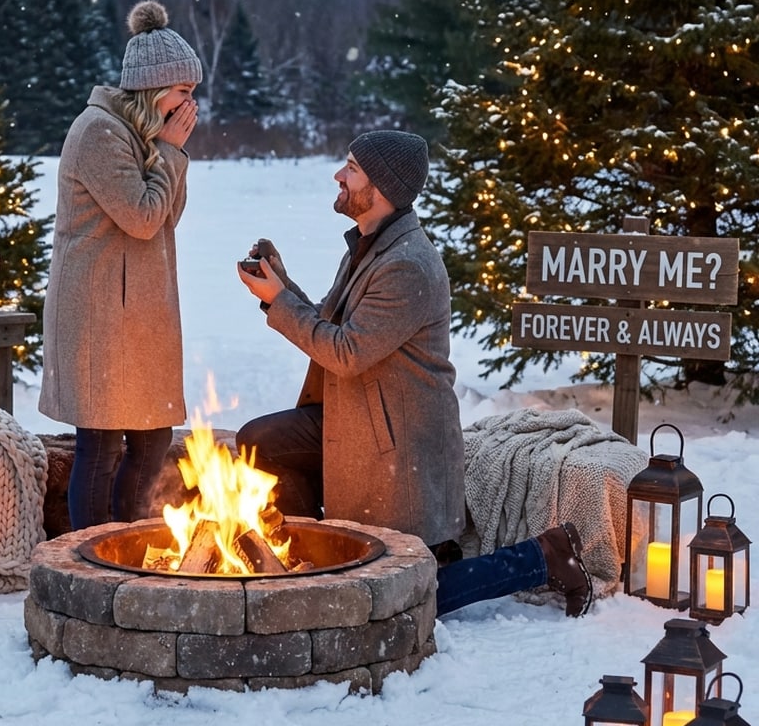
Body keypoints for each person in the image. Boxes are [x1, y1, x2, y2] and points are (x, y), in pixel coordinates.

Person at [235, 130, 593, 617]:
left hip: (399, 451)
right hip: (354, 421)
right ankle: (319, 554)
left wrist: (281, 301)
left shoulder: (408, 265)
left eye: (351, 169)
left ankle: (544, 556)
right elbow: (337, 321)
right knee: (261, 441)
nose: (339, 176)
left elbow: (345, 350)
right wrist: (281, 286)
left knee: (403, 599)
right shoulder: (370, 243)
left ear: (380, 187)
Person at [39, 0, 201, 530]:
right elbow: (141, 215)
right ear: (155, 89)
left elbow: (168, 216)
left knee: (153, 437)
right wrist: (172, 154)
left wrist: (169, 153)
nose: (189, 104)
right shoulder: (99, 133)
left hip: (140, 313)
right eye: (183, 92)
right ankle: (90, 556)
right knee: (103, 443)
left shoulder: (144, 136)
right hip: (101, 313)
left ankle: (128, 540)